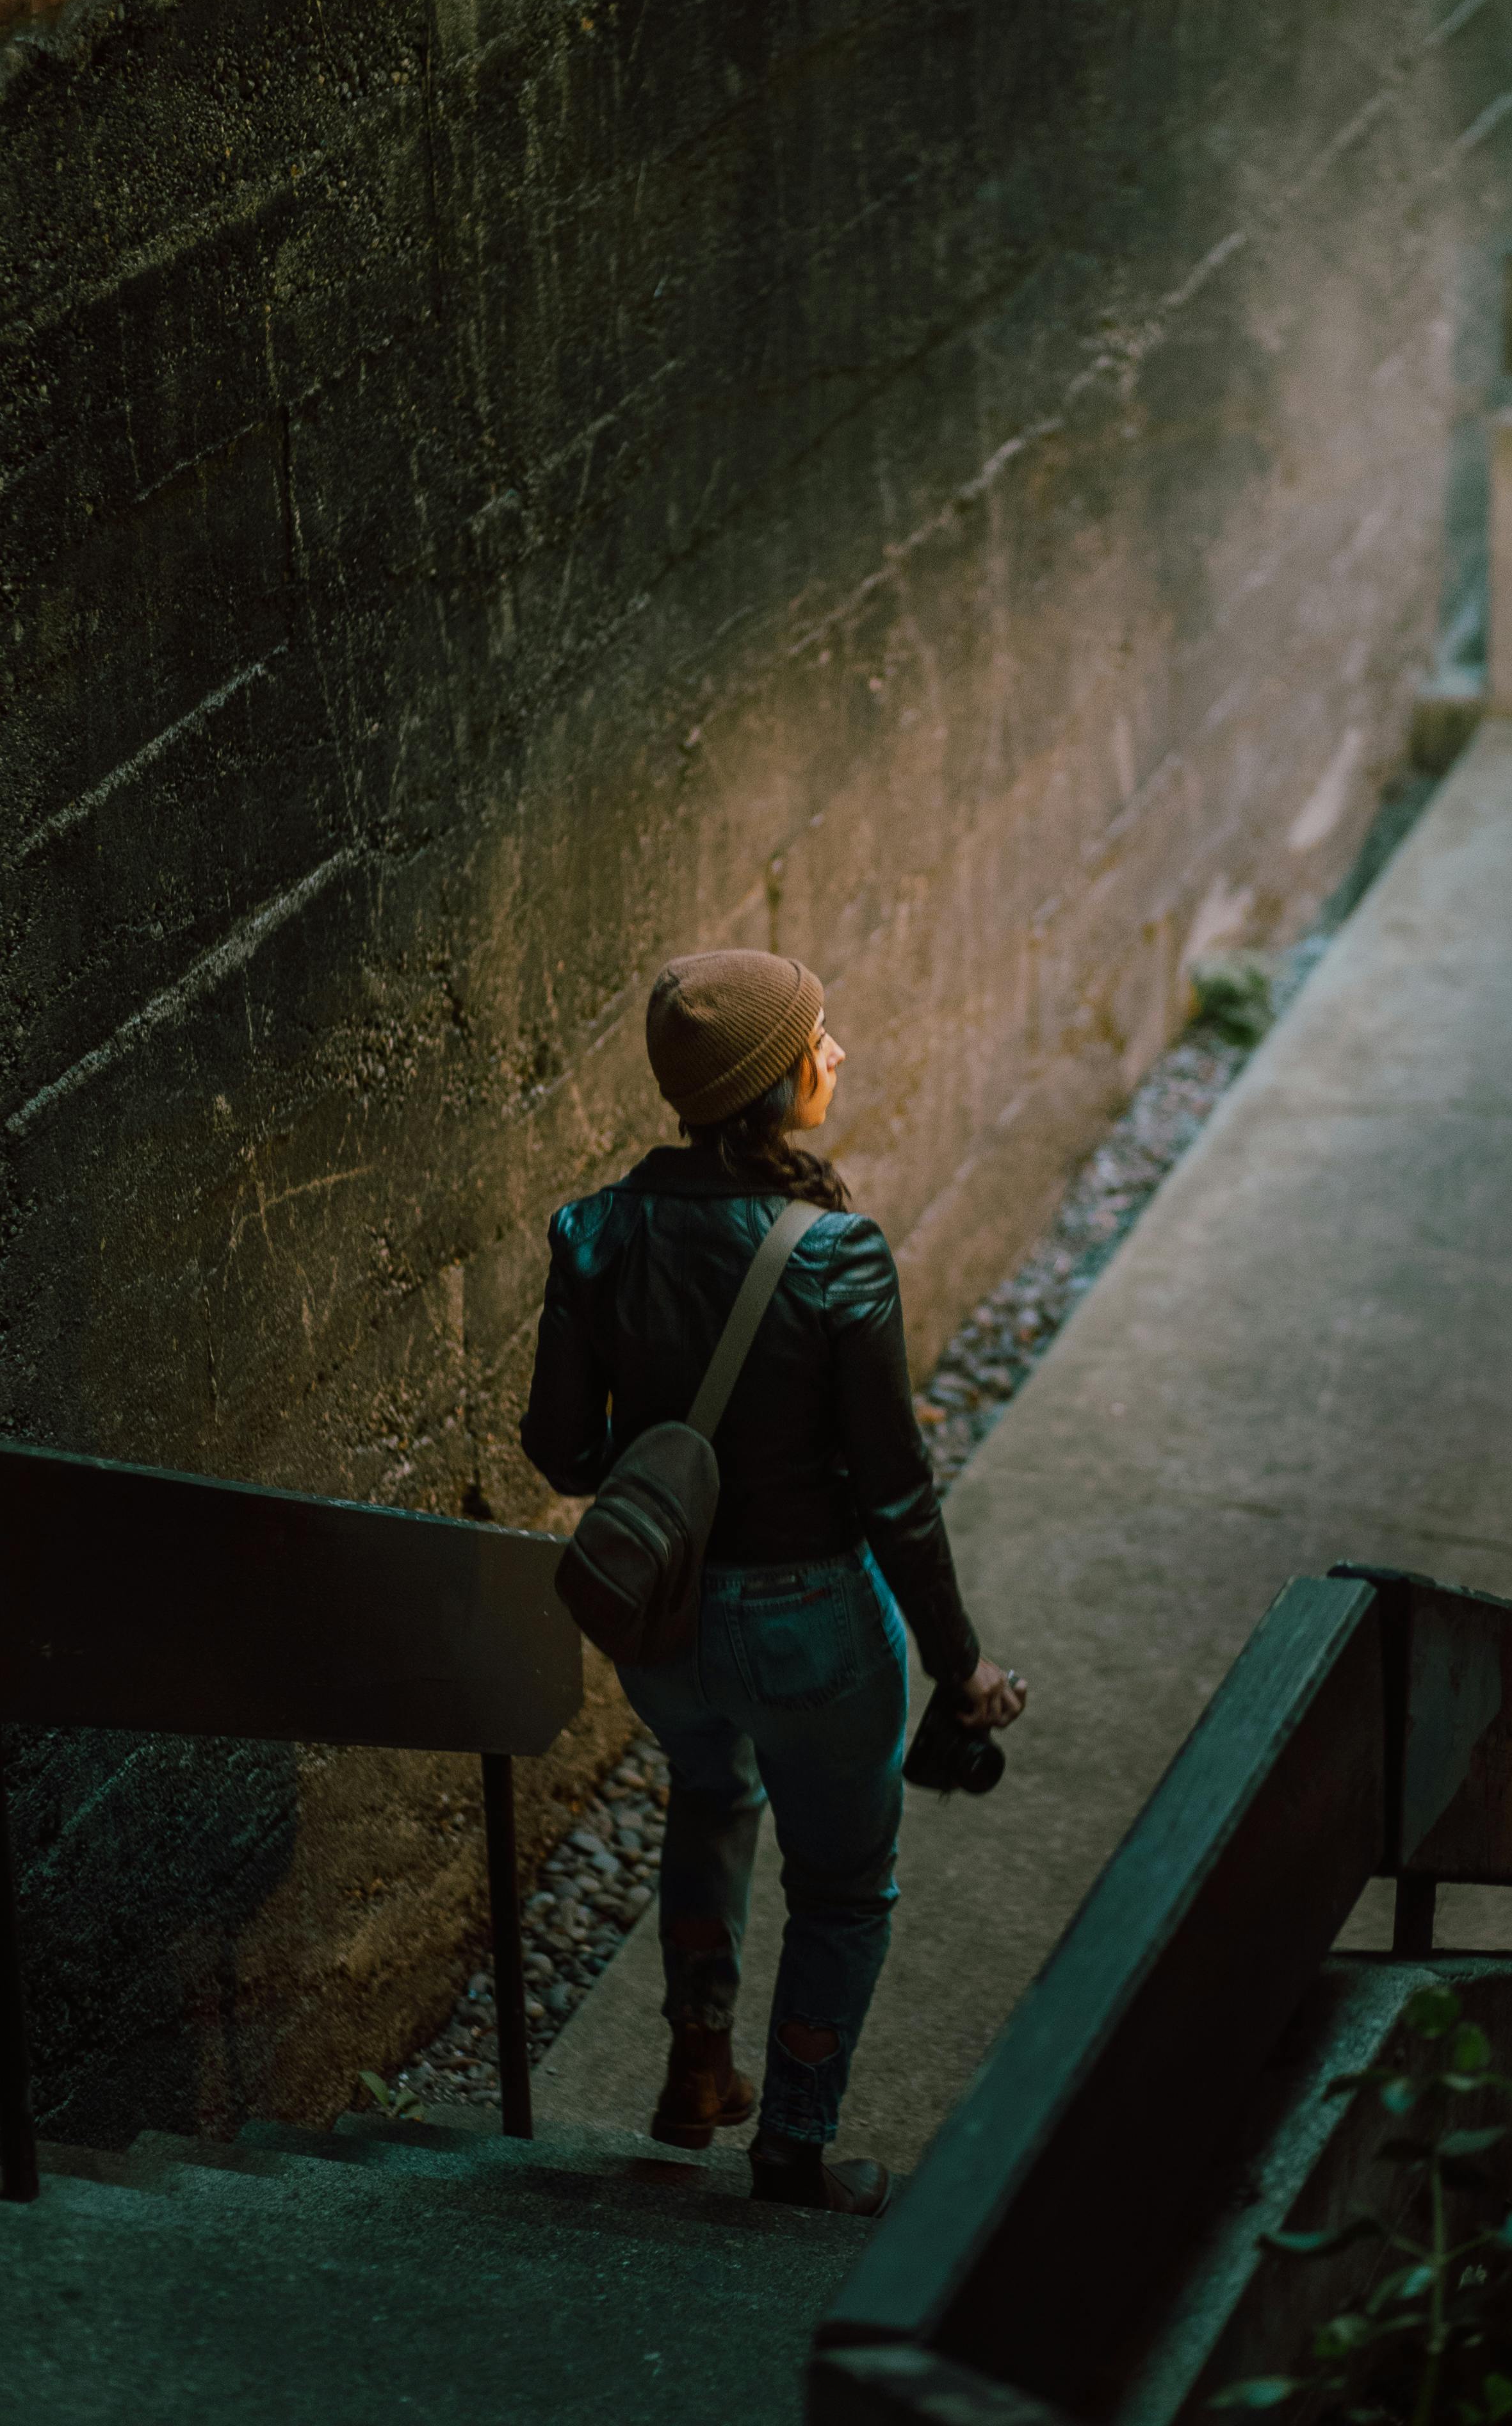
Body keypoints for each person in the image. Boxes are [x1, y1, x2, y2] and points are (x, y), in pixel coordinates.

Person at [519, 947, 1027, 2216]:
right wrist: (960, 1664)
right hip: (812, 1629)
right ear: (769, 1079)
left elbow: (565, 1450)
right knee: (844, 1886)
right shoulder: (838, 1254)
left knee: (706, 1782)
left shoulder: (592, 1231)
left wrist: (669, 1440)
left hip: (668, 1622)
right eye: (819, 1035)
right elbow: (896, 1497)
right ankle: (794, 2145)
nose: (837, 1050)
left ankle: (699, 2057)